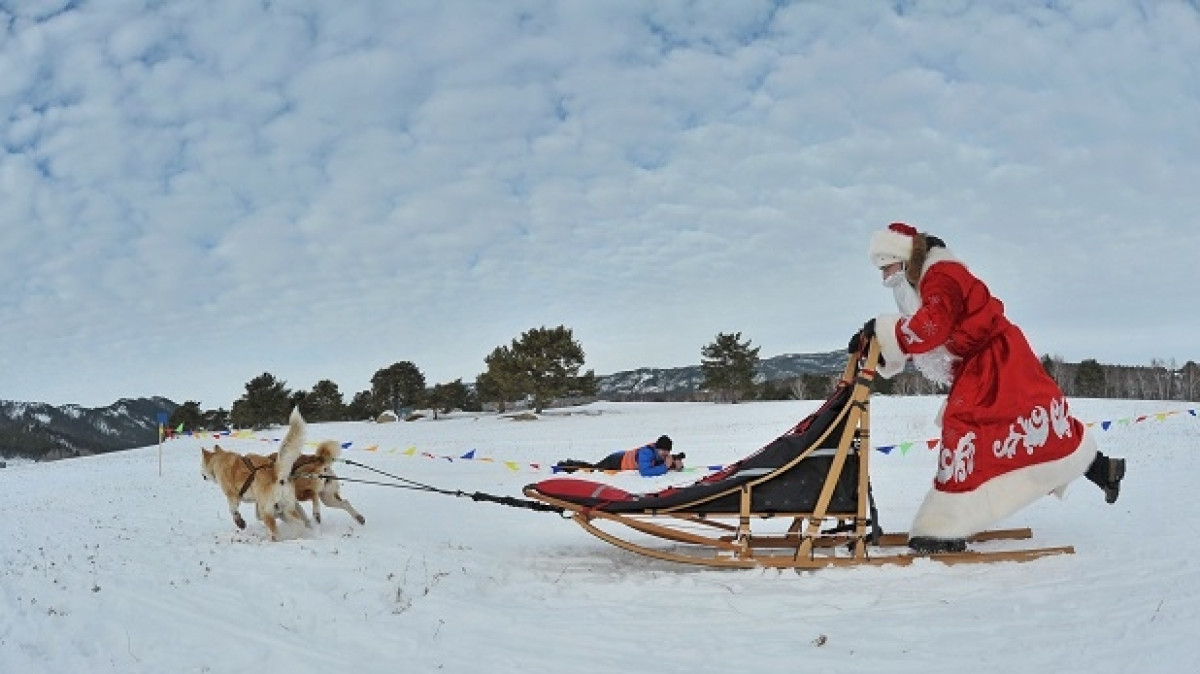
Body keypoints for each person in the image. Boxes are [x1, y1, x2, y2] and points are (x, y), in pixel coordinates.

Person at [853, 222, 1126, 554]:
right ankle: (1103, 469)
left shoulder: (941, 276)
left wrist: (882, 332)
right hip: (993, 356)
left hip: (995, 359)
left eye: (886, 266)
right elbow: (928, 332)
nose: (884, 277)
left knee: (966, 427)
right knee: (1034, 421)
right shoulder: (925, 278)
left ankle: (945, 526)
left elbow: (932, 326)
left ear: (903, 257)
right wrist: (882, 340)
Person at [555, 435, 684, 476]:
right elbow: (645, 472)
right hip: (616, 461)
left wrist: (676, 465)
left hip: (622, 456)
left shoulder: (659, 454)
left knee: (592, 469)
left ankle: (569, 464)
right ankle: (566, 466)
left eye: (667, 452)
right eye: (663, 451)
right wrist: (666, 467)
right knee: (591, 470)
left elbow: (660, 463)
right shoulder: (646, 452)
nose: (665, 454)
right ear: (657, 448)